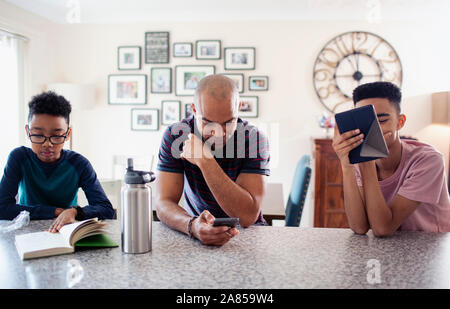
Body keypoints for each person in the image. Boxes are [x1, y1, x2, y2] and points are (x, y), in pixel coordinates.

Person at [155, 75, 270, 246]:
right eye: (208, 122)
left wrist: (206, 161)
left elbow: (246, 217)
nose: (218, 133)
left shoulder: (253, 139)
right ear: (194, 110)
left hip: (247, 236)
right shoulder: (176, 136)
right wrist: (192, 225)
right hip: (197, 231)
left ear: (238, 108)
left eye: (229, 122)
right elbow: (163, 203)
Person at [332, 81, 450, 236]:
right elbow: (359, 227)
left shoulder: (428, 161)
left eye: (381, 121)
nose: (373, 130)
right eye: (365, 122)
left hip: (430, 246)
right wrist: (346, 166)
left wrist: (367, 163)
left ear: (399, 122)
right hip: (391, 248)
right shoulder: (360, 160)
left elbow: (382, 229)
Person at [0, 91, 116, 232]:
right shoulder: (19, 157)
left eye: (56, 136)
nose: (47, 144)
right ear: (27, 131)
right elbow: (2, 208)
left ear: (67, 134)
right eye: (38, 134)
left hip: (67, 231)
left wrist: (74, 212)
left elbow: (106, 209)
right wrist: (54, 212)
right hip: (25, 230)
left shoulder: (79, 164)